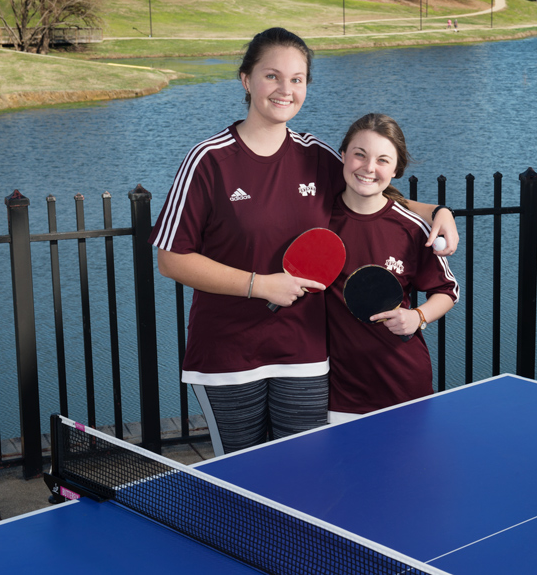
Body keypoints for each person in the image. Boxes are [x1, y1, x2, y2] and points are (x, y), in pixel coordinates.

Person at [149, 28, 458, 456]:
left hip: (305, 356)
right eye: (272, 76)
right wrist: (259, 284)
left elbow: (374, 190)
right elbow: (171, 260)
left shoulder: (317, 156)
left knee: (304, 476)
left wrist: (438, 213)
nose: (285, 89)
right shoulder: (209, 159)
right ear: (246, 80)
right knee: (241, 481)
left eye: (297, 79)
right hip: (228, 356)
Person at [326, 114, 459, 424]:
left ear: (396, 170)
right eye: (359, 154)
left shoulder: (411, 227)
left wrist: (418, 316)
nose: (369, 167)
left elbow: (447, 290)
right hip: (339, 392)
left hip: (403, 384)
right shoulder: (319, 218)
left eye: (383, 160)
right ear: (342, 155)